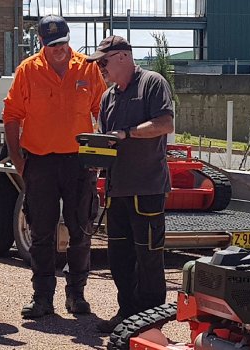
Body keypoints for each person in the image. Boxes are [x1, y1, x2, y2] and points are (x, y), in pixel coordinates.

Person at [2, 14, 107, 319]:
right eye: (51, 44)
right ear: (41, 43)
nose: (58, 49)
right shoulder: (28, 70)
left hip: (78, 164)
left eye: (62, 43)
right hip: (40, 162)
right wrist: (18, 159)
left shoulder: (87, 67)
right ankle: (42, 298)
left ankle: (76, 295)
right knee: (41, 232)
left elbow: (103, 109)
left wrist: (101, 157)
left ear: (68, 39)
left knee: (81, 231)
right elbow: (11, 116)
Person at [84, 36, 175, 333]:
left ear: (123, 57)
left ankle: (150, 322)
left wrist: (127, 133)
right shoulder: (108, 97)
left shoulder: (152, 83)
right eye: (98, 63)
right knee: (119, 258)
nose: (100, 68)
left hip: (146, 189)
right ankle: (127, 314)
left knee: (148, 257)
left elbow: (164, 124)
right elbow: (107, 139)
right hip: (117, 189)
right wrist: (94, 155)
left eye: (104, 61)